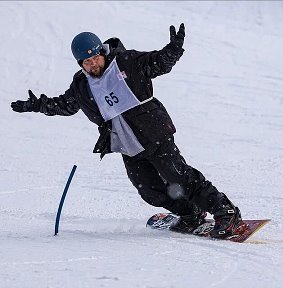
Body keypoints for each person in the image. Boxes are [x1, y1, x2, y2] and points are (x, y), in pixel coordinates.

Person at [11, 23, 242, 239]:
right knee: (150, 191)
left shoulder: (126, 62)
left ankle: (226, 212)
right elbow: (66, 105)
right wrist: (38, 105)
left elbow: (158, 62)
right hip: (127, 144)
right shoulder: (82, 85)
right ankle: (190, 213)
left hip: (154, 133)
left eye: (95, 58)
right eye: (86, 62)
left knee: (180, 177)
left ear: (101, 52)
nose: (93, 65)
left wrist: (173, 49)